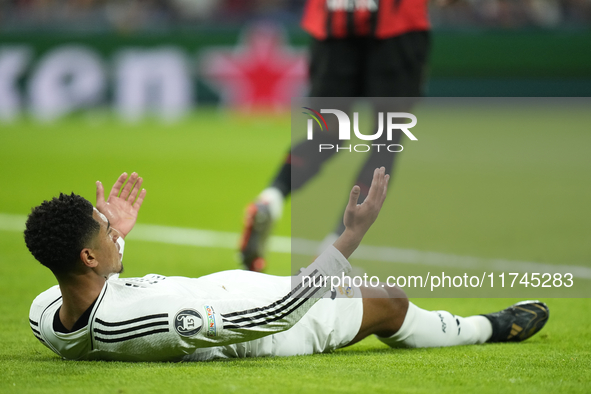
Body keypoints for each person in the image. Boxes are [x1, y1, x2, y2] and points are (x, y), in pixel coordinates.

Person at [26, 170, 548, 362]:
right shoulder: (148, 323)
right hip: (272, 329)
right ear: (88, 257)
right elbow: (273, 314)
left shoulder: (46, 307)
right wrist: (351, 237)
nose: (115, 233)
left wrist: (118, 236)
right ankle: (492, 328)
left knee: (366, 291)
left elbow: (101, 288)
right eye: (106, 233)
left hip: (229, 291)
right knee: (390, 302)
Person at [240, 0, 447, 271]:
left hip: (332, 22)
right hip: (395, 27)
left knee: (327, 135)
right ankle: (333, 249)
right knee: (386, 141)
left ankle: (272, 198)